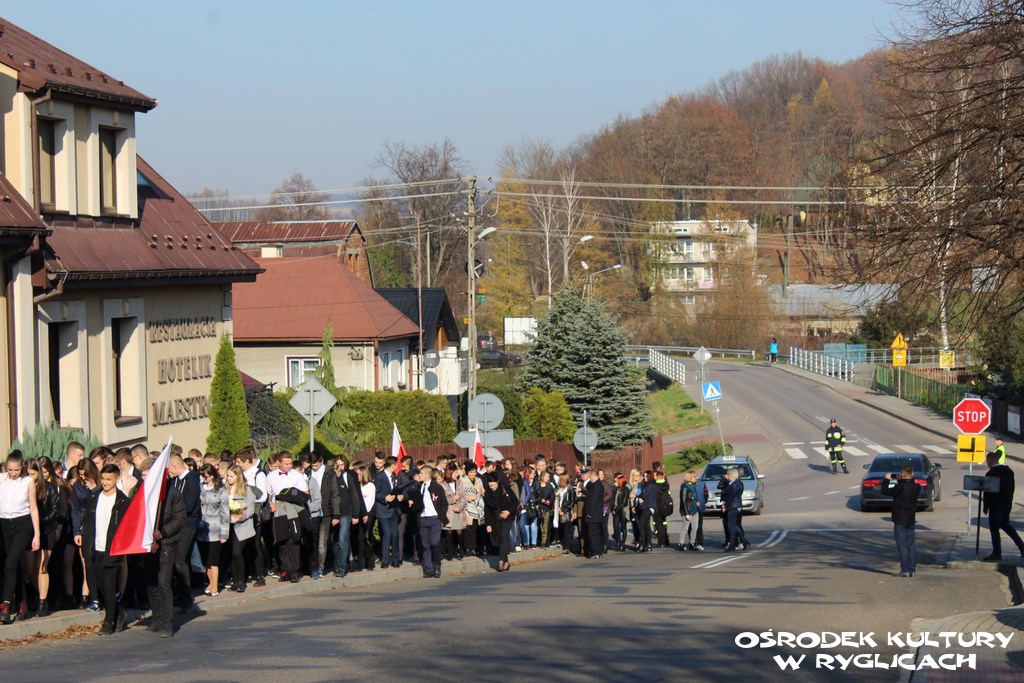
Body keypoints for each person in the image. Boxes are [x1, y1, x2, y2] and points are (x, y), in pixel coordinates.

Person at [139, 456, 186, 638]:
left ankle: (168, 623)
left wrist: (163, 533)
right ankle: (157, 619)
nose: (144, 479)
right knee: (151, 583)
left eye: (147, 475)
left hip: (167, 544)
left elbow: (179, 519)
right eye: (142, 476)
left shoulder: (172, 493)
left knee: (163, 582)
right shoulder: (142, 492)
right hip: (148, 544)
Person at [80, 464, 129, 634]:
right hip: (96, 548)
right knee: (100, 584)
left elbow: (125, 527)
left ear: (117, 478)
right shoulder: (95, 497)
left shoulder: (122, 501)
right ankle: (118, 612)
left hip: (112, 549)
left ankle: (108, 622)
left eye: (109, 479)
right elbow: (88, 522)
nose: (105, 482)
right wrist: (86, 545)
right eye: (103, 479)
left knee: (109, 585)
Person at [0, 451, 41, 624]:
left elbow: (33, 508)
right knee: (13, 565)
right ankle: (22, 601)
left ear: (21, 467)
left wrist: (37, 534)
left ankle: (6, 605)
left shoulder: (28, 482)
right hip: (4, 523)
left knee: (11, 562)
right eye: (10, 469)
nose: (13, 473)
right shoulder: (1, 480)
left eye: (16, 470)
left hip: (23, 524)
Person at [266, 452, 310, 582]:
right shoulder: (271, 476)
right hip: (279, 511)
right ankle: (285, 570)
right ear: (279, 462)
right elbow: (268, 494)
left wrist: (290, 495)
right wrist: (271, 504)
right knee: (282, 542)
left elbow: (305, 494)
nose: (289, 466)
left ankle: (294, 571)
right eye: (286, 464)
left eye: (290, 463)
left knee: (294, 540)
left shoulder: (297, 475)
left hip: (293, 510)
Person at [167, 454, 201, 611]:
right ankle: (180, 593)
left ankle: (186, 598)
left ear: (174, 466)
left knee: (180, 561)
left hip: (188, 524)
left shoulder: (192, 480)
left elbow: (189, 504)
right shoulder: (175, 480)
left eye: (170, 469)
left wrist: (174, 512)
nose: (169, 472)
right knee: (181, 560)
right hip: (177, 524)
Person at [982, 451, 1024, 561]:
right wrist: (1009, 500)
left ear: (990, 460)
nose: (987, 464)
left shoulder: (991, 474)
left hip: (996, 505)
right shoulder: (1009, 471)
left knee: (994, 529)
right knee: (1006, 525)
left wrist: (986, 507)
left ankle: (997, 553)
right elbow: (1012, 487)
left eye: (987, 461)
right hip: (1007, 503)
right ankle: (1022, 546)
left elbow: (988, 493)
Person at [409, 465, 449, 578]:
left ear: (427, 475)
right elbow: (417, 501)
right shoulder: (419, 486)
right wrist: (412, 502)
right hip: (423, 518)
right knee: (425, 545)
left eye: (421, 473)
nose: (419, 475)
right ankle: (428, 568)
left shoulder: (436, 487)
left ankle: (437, 566)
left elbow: (444, 503)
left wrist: (441, 516)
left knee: (435, 543)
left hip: (434, 518)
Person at [881, 465, 921, 576]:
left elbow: (885, 491)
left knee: (902, 545)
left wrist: (887, 480)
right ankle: (912, 569)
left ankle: (905, 569)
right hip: (911, 518)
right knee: (911, 545)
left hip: (900, 519)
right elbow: (909, 483)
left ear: (902, 474)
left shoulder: (900, 487)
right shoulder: (917, 487)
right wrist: (902, 478)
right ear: (912, 474)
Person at [306, 452, 340, 580]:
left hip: (325, 511)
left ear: (322, 461)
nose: (314, 468)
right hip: (311, 511)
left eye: (316, 465)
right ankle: (312, 565)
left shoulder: (329, 473)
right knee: (311, 541)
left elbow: (335, 494)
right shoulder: (307, 472)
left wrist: (336, 514)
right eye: (312, 465)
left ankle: (320, 567)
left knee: (322, 542)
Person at [197, 464, 229, 596]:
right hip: (201, 529)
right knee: (206, 561)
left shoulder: (221, 490)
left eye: (206, 475)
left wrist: (224, 534)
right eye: (202, 475)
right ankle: (210, 583)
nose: (203, 478)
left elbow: (225, 513)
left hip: (215, 529)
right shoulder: (200, 488)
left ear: (212, 475)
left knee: (213, 560)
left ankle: (215, 586)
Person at [225, 465, 256, 593]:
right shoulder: (224, 489)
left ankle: (241, 581)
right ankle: (235, 580)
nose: (228, 478)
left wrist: (241, 515)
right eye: (227, 476)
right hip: (227, 525)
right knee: (231, 554)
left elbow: (251, 508)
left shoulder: (246, 489)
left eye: (231, 476)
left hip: (241, 525)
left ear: (238, 476)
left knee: (237, 552)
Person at [332, 456, 361, 578]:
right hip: (334, 514)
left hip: (346, 513)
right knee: (335, 541)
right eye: (337, 465)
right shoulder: (331, 477)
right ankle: (337, 564)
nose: (339, 467)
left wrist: (355, 514)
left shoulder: (347, 476)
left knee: (343, 540)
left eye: (341, 465)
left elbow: (354, 495)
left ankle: (342, 567)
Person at [374, 456, 404, 568]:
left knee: (395, 534)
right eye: (396, 465)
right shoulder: (380, 477)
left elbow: (395, 490)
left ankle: (395, 558)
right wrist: (384, 498)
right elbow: (375, 493)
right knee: (387, 533)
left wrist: (399, 496)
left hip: (394, 509)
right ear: (393, 465)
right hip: (383, 509)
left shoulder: (394, 476)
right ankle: (385, 560)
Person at [484, 473, 517, 572]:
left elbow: (515, 501)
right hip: (495, 518)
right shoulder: (488, 492)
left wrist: (508, 511)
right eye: (490, 486)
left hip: (508, 516)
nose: (492, 487)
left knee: (504, 535)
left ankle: (501, 561)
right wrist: (488, 524)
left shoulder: (505, 488)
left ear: (497, 482)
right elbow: (487, 509)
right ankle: (506, 561)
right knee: (499, 539)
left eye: (493, 485)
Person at [352, 464, 375, 572]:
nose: (358, 476)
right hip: (357, 515)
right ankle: (360, 562)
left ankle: (369, 561)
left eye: (360, 474)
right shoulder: (356, 486)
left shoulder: (370, 486)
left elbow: (369, 503)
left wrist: (364, 514)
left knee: (365, 538)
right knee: (359, 539)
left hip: (367, 515)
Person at [721, 469, 749, 552]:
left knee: (732, 527)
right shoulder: (734, 483)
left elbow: (730, 497)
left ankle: (732, 545)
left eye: (728, 475)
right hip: (735, 506)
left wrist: (725, 506)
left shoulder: (735, 485)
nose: (727, 476)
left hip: (733, 506)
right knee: (734, 526)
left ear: (732, 475)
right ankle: (743, 541)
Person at [581, 468, 606, 559]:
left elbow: (594, 500)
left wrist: (590, 513)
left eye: (589, 476)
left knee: (593, 534)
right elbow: (590, 493)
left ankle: (596, 551)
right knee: (595, 533)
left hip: (594, 514)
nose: (589, 478)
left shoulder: (597, 485)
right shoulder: (595, 484)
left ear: (592, 476)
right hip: (595, 514)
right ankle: (598, 551)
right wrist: (582, 490)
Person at [678, 471, 699, 551]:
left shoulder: (693, 486)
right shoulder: (684, 487)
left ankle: (692, 543)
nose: (696, 478)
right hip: (687, 510)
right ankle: (681, 543)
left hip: (694, 510)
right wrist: (686, 513)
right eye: (694, 476)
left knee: (695, 527)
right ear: (689, 477)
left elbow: (694, 496)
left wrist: (697, 501)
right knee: (685, 527)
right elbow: (683, 500)